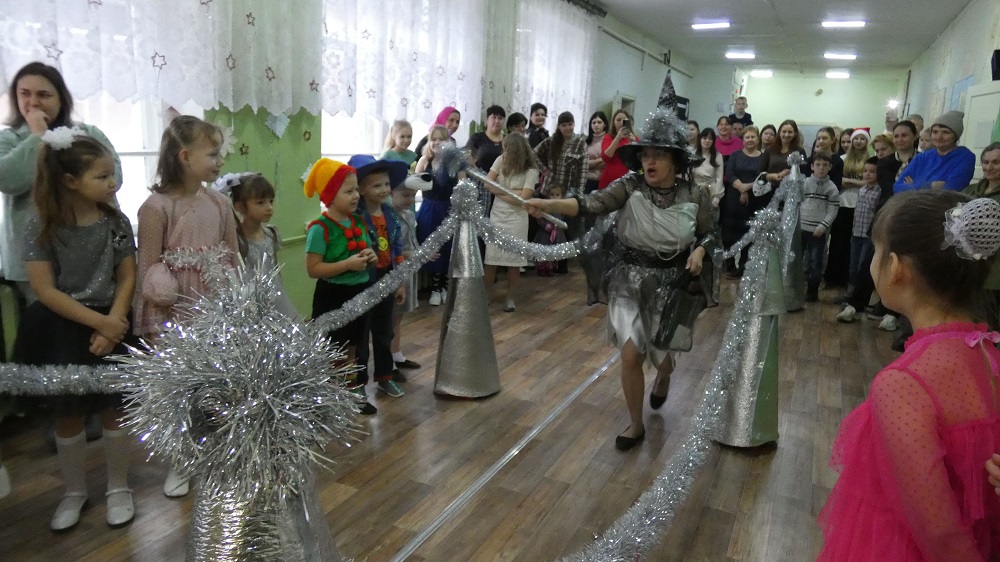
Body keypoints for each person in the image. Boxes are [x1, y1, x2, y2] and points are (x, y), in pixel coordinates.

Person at [526, 80, 718, 451]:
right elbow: (591, 203)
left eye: (658, 155)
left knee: (664, 356)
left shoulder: (696, 194)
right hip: (630, 279)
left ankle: (664, 376)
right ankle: (635, 424)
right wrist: (547, 204)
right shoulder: (630, 186)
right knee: (631, 354)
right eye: (645, 154)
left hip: (674, 283)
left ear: (676, 161)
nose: (649, 161)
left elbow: (711, 234)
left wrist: (699, 251)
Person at [817, 191, 1000, 561]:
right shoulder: (988, 351)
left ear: (895, 267)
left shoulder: (903, 383)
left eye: (876, 251)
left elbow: (938, 527)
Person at [13, 130, 136, 530]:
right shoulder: (41, 226)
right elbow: (45, 290)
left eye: (111, 174)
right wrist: (101, 324)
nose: (112, 183)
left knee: (115, 410)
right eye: (102, 176)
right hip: (62, 328)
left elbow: (126, 275)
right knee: (68, 416)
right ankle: (74, 492)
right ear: (70, 180)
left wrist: (114, 323)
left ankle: (119, 487)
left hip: (112, 321)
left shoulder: (116, 222)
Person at [135, 115, 239, 498]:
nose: (219, 161)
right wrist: (153, 317)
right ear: (184, 157)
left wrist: (237, 304)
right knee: (180, 387)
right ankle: (180, 460)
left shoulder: (220, 203)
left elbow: (232, 257)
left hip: (215, 304)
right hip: (175, 310)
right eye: (212, 154)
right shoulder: (156, 207)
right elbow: (148, 267)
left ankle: (213, 452)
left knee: (215, 382)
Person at [0, 62, 122, 302]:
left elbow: (113, 178)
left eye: (43, 95)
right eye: (25, 94)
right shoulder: (9, 139)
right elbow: (8, 180)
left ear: (60, 99)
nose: (33, 102)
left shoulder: (88, 134)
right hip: (35, 262)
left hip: (94, 253)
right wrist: (39, 136)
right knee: (48, 323)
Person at [304, 158, 378, 414]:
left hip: (360, 293)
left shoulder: (358, 221)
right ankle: (331, 397)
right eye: (348, 191)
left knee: (354, 347)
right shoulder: (320, 228)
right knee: (333, 348)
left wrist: (370, 256)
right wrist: (347, 264)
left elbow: (368, 250)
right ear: (330, 196)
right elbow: (313, 269)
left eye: (356, 189)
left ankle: (353, 393)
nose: (356, 195)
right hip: (333, 295)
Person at [837, 120, 919, 327]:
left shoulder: (921, 160)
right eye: (896, 135)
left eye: (904, 135)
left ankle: (894, 312)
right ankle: (855, 304)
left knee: (901, 266)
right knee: (870, 262)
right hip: (885, 215)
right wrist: (912, 186)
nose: (900, 139)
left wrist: (914, 187)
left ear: (914, 136)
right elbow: (893, 189)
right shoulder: (885, 163)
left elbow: (918, 191)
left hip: (909, 218)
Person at [351, 155, 408, 399]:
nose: (384, 189)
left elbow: (397, 251)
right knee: (361, 336)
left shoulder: (391, 216)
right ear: (361, 189)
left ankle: (385, 376)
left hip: (387, 278)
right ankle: (359, 383)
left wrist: (399, 282)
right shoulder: (355, 218)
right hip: (363, 281)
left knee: (384, 333)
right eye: (377, 185)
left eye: (386, 184)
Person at [214, 172, 297, 320]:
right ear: (240, 206)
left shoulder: (271, 233)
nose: (269, 207)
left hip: (275, 296)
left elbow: (275, 269)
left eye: (271, 201)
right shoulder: (235, 239)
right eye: (260, 203)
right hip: (249, 300)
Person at [484, 134, 539, 309]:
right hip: (497, 216)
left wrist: (500, 191)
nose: (504, 152)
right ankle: (486, 295)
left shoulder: (531, 170)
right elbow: (487, 184)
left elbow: (524, 199)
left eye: (507, 149)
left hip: (517, 219)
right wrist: (512, 193)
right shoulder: (500, 160)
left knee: (514, 262)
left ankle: (510, 297)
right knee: (491, 260)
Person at [415, 125, 461, 305]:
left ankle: (444, 286)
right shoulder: (424, 161)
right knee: (433, 247)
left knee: (449, 247)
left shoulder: (454, 163)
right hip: (430, 209)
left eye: (441, 139)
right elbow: (414, 185)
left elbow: (463, 184)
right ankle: (435, 287)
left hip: (449, 209)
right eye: (433, 139)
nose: (437, 142)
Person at [389, 174, 427, 372]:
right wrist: (414, 254)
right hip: (396, 270)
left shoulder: (410, 215)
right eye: (405, 195)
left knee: (399, 315)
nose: (410, 199)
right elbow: (391, 250)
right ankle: (388, 360)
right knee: (391, 316)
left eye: (413, 195)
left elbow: (412, 240)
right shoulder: (388, 217)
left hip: (409, 269)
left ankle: (396, 354)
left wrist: (419, 254)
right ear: (391, 193)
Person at [826, 129, 870, 289]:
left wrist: (850, 182)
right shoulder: (842, 159)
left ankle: (849, 280)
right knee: (838, 242)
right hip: (842, 204)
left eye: (862, 139)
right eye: (856, 139)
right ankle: (832, 278)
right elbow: (837, 182)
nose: (858, 141)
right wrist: (857, 183)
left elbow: (869, 182)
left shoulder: (870, 161)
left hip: (861, 206)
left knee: (854, 245)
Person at [963, 142, 1000, 328]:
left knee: (990, 320)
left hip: (994, 268)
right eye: (985, 162)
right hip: (968, 263)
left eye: (996, 162)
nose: (989, 167)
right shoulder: (970, 190)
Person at [722, 126, 766, 277]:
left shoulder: (763, 157)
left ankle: (743, 266)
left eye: (753, 137)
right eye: (747, 137)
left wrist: (747, 188)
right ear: (743, 139)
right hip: (733, 199)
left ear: (758, 139)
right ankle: (729, 263)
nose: (750, 140)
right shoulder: (736, 155)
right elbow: (730, 174)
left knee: (748, 232)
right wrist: (742, 189)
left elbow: (763, 178)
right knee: (730, 233)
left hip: (754, 200)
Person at [895, 111, 976, 192]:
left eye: (945, 132)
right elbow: (897, 187)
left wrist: (912, 186)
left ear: (956, 136)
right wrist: (931, 186)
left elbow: (950, 190)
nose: (939, 137)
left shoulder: (965, 158)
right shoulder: (922, 157)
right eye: (935, 132)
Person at [799, 152, 840, 302]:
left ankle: (812, 291)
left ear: (830, 167)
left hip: (817, 231)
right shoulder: (804, 183)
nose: (821, 168)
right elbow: (797, 204)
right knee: (796, 259)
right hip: (801, 228)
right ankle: (794, 288)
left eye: (825, 165)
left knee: (815, 262)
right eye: (818, 165)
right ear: (812, 166)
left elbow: (832, 210)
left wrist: (822, 226)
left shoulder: (832, 188)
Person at [846, 158, 880, 299]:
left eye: (872, 171)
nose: (867, 174)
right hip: (856, 233)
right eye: (865, 171)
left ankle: (859, 297)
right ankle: (850, 294)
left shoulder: (879, 192)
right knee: (853, 265)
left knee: (862, 266)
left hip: (868, 235)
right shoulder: (861, 190)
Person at [761, 119, 809, 196]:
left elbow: (805, 174)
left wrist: (790, 173)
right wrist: (773, 176)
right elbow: (760, 172)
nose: (786, 135)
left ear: (795, 134)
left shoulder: (800, 151)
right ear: (779, 132)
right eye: (784, 131)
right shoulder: (769, 150)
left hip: (791, 193)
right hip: (769, 191)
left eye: (790, 132)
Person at [531, 184, 568, 276]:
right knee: (544, 250)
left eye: (557, 195)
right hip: (545, 233)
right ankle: (542, 267)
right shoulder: (545, 207)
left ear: (562, 196)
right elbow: (539, 218)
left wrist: (558, 225)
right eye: (552, 194)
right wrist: (546, 225)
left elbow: (564, 219)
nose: (554, 197)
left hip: (557, 232)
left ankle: (553, 267)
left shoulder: (563, 208)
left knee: (557, 250)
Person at [599, 109, 638, 189]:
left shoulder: (635, 139)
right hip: (609, 179)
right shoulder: (608, 137)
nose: (621, 122)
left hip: (628, 181)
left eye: (624, 120)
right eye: (618, 120)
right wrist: (617, 138)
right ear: (613, 122)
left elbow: (639, 161)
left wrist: (634, 142)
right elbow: (605, 158)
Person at [466, 105, 506, 172]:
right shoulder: (477, 138)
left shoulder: (508, 140)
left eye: (500, 118)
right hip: (479, 177)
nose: (497, 121)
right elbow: (466, 158)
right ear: (487, 120)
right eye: (494, 117)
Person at [691, 127, 724, 209]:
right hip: (693, 190)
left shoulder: (718, 156)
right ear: (700, 139)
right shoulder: (692, 154)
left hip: (711, 191)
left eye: (710, 139)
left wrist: (717, 197)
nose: (707, 141)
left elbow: (719, 178)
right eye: (704, 138)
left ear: (713, 141)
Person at [585, 111, 609, 194]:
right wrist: (600, 160)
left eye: (599, 122)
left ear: (605, 124)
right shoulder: (586, 141)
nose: (596, 125)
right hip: (587, 181)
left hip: (602, 181)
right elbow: (583, 164)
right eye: (593, 122)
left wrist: (592, 164)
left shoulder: (608, 140)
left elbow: (607, 162)